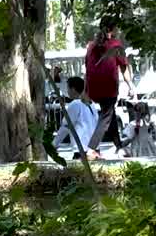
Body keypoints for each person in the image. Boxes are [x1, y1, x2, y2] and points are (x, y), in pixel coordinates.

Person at [86, 19, 133, 155]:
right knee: (106, 117)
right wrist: (131, 86)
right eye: (117, 28)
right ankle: (91, 149)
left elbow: (87, 68)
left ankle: (118, 144)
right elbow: (124, 69)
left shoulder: (91, 46)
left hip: (94, 87)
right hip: (109, 86)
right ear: (112, 30)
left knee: (109, 113)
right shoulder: (116, 45)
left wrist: (86, 91)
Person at [53, 76, 100, 159]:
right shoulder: (91, 104)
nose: (67, 92)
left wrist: (54, 144)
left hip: (82, 150)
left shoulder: (75, 104)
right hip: (95, 149)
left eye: (68, 89)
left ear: (73, 89)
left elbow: (66, 127)